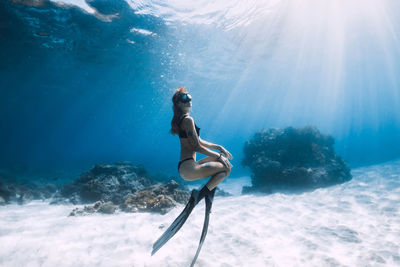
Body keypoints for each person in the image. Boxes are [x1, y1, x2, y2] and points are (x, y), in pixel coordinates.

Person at [151, 86, 233, 266]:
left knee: (222, 161)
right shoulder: (187, 119)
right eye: (185, 98)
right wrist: (218, 155)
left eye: (190, 98)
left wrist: (218, 149)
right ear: (178, 103)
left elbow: (198, 141)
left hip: (186, 167)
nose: (189, 101)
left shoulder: (182, 120)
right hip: (190, 168)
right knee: (226, 169)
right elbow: (196, 146)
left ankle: (205, 193)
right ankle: (202, 194)